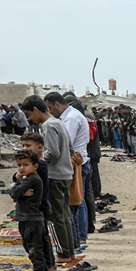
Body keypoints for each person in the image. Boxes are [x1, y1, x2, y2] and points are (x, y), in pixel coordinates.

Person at [21, 96, 75, 263]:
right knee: (64, 215)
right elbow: (70, 150)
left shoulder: (48, 125)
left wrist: (35, 160)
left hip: (54, 176)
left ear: (36, 110)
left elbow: (52, 152)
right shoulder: (59, 122)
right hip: (65, 175)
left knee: (55, 217)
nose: (30, 118)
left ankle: (63, 253)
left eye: (29, 114)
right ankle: (69, 251)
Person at [45, 92, 91, 251]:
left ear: (57, 104)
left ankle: (77, 239)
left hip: (76, 162)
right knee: (77, 201)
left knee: (75, 202)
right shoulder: (70, 116)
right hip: (78, 160)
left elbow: (65, 143)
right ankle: (79, 237)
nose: (50, 112)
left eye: (50, 108)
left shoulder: (71, 118)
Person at [19, 132, 56, 271]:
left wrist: (19, 186)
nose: (24, 148)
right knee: (43, 237)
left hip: (35, 208)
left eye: (28, 146)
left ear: (40, 147)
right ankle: (49, 265)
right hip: (42, 205)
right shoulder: (40, 164)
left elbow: (17, 189)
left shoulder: (37, 167)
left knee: (34, 241)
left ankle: (41, 269)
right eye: (23, 145)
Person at [10, 149, 49, 271]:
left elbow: (14, 193)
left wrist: (18, 190)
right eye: (19, 165)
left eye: (25, 165)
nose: (21, 168)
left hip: (30, 218)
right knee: (34, 245)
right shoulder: (27, 178)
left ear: (35, 166)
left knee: (32, 246)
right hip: (30, 217)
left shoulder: (31, 179)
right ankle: (43, 268)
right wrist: (20, 191)